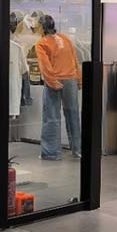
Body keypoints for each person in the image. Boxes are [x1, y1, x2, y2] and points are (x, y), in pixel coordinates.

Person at [35, 14, 82, 160]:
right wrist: (78, 80)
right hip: (71, 79)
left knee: (51, 116)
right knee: (73, 114)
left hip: (55, 80)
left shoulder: (41, 43)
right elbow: (75, 60)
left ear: (41, 27)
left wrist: (52, 82)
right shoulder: (65, 39)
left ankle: (52, 152)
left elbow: (45, 67)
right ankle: (78, 149)